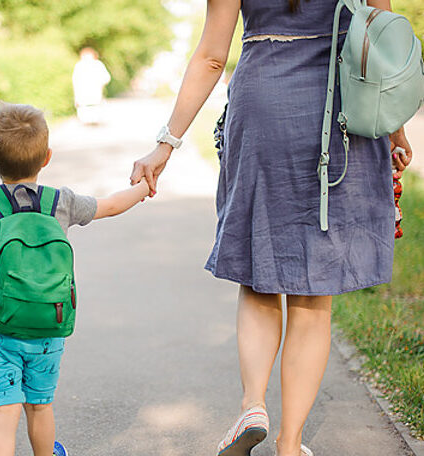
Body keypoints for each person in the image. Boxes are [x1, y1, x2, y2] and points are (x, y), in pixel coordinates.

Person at [129, 1, 414, 456]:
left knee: (260, 270)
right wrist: (395, 126)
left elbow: (211, 57)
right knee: (313, 290)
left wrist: (166, 143)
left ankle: (253, 405)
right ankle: (290, 443)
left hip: (263, 104)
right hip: (340, 111)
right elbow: (383, 39)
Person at [0, 102, 150, 456]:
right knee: (40, 405)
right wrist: (143, 188)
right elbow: (110, 205)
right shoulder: (60, 202)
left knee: (3, 412)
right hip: (49, 326)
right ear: (47, 157)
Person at [72, 47, 111, 124]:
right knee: (84, 111)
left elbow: (106, 78)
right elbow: (75, 80)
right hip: (82, 92)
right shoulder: (79, 66)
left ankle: (94, 122)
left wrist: (100, 83)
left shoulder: (98, 65)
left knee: (95, 110)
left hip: (95, 92)